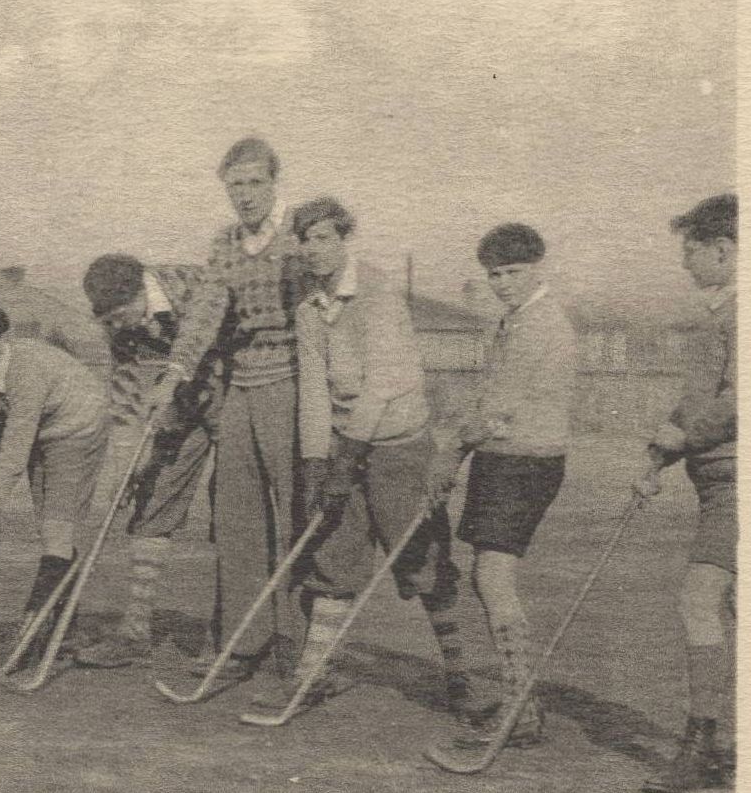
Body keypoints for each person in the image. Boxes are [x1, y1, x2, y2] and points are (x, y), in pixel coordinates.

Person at [241, 197, 473, 720]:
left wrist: (347, 457)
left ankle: (465, 677)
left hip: (398, 447)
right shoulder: (308, 308)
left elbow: (385, 385)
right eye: (305, 240)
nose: (313, 250)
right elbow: (316, 393)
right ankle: (312, 674)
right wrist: (317, 462)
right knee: (333, 562)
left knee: (421, 561)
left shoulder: (378, 295)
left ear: (345, 239)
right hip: (346, 448)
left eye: (324, 238)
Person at [149, 135, 308, 679]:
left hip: (294, 381)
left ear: (274, 181)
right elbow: (205, 313)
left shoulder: (297, 237)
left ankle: (298, 642)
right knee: (236, 515)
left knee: (295, 512)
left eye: (254, 183)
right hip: (242, 382)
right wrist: (174, 373)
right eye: (234, 185)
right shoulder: (224, 243)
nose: (244, 195)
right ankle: (244, 641)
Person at [428, 222, 579, 750]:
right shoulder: (512, 322)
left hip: (526, 461)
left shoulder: (542, 326)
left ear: (537, 267)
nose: (502, 283)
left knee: (492, 577)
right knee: (486, 577)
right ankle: (522, 702)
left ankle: (522, 706)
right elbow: (486, 399)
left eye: (512, 272)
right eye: (494, 275)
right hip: (500, 458)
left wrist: (449, 455)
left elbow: (497, 407)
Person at [0, 298, 111, 667]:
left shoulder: (25, 371)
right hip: (40, 430)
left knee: (56, 531)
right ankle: (61, 628)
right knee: (49, 533)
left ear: (1, 343)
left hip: (77, 428)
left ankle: (29, 640)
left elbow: (11, 460)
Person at [72, 252, 222, 669]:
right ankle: (135, 630)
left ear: (142, 291)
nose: (119, 327)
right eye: (110, 321)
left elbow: (201, 340)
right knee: (151, 504)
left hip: (232, 394)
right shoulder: (119, 324)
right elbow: (125, 391)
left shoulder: (193, 283)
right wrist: (126, 466)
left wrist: (176, 387)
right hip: (175, 408)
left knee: (231, 514)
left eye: (122, 316)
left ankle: (231, 636)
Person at [635, 193, 737, 793]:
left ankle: (703, 747)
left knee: (698, 601)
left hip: (746, 483)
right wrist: (657, 455)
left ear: (723, 250)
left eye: (691, 252)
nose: (684, 264)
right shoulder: (717, 315)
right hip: (718, 482)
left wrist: (681, 435)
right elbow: (700, 401)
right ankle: (720, 747)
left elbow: (737, 403)